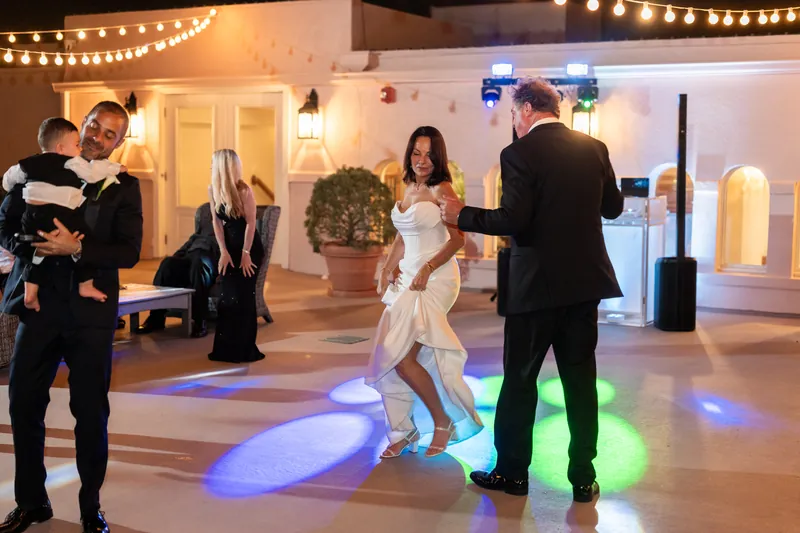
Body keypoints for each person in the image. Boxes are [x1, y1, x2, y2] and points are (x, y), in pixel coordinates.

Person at [440, 77, 624, 502]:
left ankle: (512, 475)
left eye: (511, 114)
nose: (513, 122)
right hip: (583, 286)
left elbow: (513, 220)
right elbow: (612, 208)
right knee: (580, 383)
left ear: (524, 110)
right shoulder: (594, 148)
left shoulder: (518, 153)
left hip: (534, 290)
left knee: (520, 382)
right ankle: (583, 478)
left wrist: (461, 213)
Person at [0, 101, 143, 533]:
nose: (97, 137)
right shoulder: (44, 168)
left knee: (89, 412)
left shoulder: (122, 185)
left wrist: (76, 248)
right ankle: (31, 502)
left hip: (90, 315)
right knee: (23, 404)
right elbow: (5, 221)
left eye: (109, 134)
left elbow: (129, 251)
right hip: (39, 310)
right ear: (82, 124)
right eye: (93, 126)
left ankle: (89, 507)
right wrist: (34, 247)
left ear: (119, 143)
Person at [365, 126, 483, 459]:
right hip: (407, 277)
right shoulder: (407, 187)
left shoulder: (442, 189)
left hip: (436, 277)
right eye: (417, 152)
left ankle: (444, 421)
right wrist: (387, 269)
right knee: (393, 357)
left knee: (401, 357)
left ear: (438, 157)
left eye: (429, 154)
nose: (422, 160)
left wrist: (427, 268)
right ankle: (404, 430)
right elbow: (402, 237)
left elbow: (458, 240)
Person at [2, 117, 126, 312]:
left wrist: (8, 185)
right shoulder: (73, 164)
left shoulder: (29, 164)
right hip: (61, 216)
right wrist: (117, 168)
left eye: (109, 134)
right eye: (76, 144)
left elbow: (10, 176)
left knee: (35, 255)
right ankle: (85, 285)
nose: (79, 149)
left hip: (34, 217)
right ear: (61, 148)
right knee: (83, 237)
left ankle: (30, 293)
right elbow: (93, 173)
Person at [206, 148, 265, 363]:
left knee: (243, 297)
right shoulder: (213, 189)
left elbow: (251, 223)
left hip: (249, 247)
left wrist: (246, 253)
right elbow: (216, 222)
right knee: (227, 297)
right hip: (229, 246)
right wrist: (223, 251)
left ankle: (244, 349)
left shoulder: (244, 190)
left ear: (223, 166)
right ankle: (225, 349)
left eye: (213, 163)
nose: (211, 166)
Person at [133, 212, 220, 338]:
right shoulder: (206, 225)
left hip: (210, 257)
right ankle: (156, 317)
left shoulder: (231, 223)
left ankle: (199, 320)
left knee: (199, 264)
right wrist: (177, 255)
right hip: (191, 255)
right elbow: (192, 239)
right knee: (167, 263)